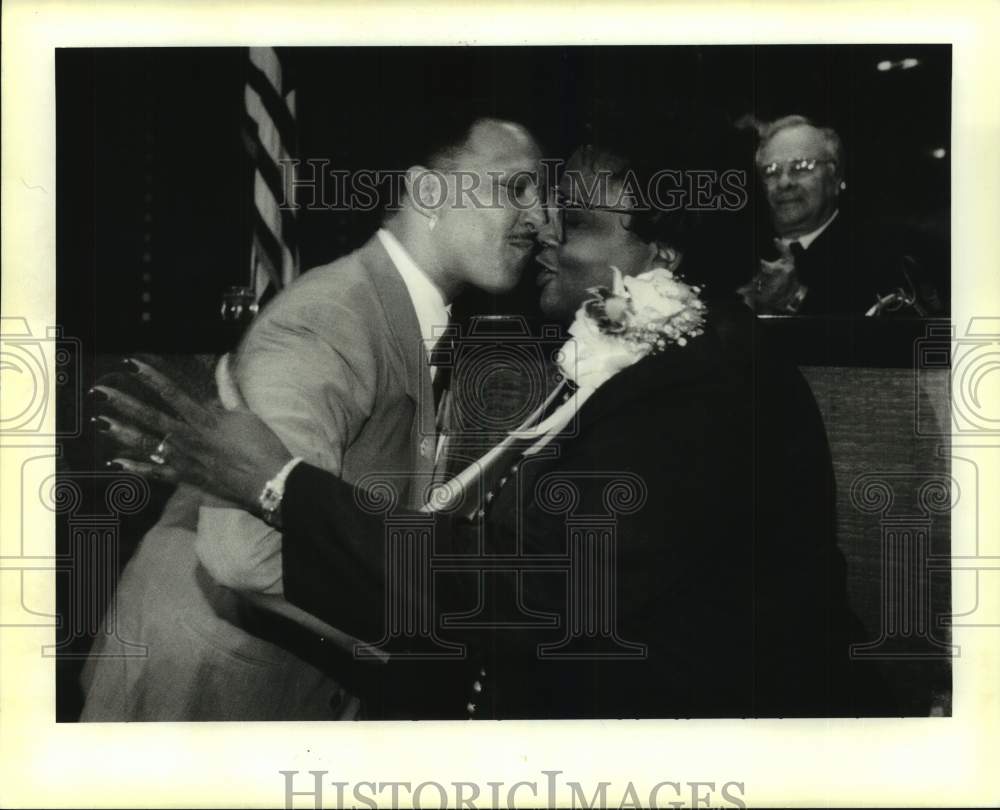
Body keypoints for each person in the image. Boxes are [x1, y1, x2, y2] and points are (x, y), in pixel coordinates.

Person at [94, 132, 896, 719]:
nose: (544, 231)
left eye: (573, 219)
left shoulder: (699, 383)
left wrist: (281, 485)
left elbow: (531, 584)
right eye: (526, 197)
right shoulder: (644, 353)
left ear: (668, 253)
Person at [79, 115, 547, 721]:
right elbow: (246, 551)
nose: (539, 219)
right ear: (429, 193)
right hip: (204, 693)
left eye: (543, 197)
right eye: (515, 189)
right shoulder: (330, 319)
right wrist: (431, 639)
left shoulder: (405, 315)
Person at [740, 115, 947, 317]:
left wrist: (795, 298)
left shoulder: (888, 250)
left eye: (801, 167)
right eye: (771, 171)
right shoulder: (743, 253)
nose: (784, 182)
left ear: (835, 176)